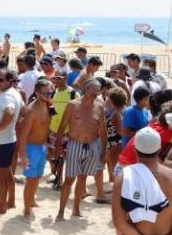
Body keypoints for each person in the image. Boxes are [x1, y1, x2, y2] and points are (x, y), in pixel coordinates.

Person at [55, 79, 108, 220]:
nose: (96, 93)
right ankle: (61, 212)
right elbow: (61, 128)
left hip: (92, 145)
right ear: (86, 89)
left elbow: (103, 132)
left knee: (83, 179)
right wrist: (57, 149)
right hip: (75, 145)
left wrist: (104, 153)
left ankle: (76, 208)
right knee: (69, 180)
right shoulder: (73, 105)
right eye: (94, 89)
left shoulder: (99, 107)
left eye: (98, 90)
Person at [0, 71, 24, 214]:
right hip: (7, 139)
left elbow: (10, 111)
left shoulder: (8, 96)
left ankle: (1, 207)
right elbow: (24, 110)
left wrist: (1, 125)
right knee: (7, 173)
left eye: (1, 80)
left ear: (9, 80)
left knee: (1, 176)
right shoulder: (14, 92)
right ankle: (11, 201)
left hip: (0, 141)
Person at [17, 80, 52, 220]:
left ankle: (31, 201)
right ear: (37, 93)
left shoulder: (47, 105)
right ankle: (26, 208)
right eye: (46, 93)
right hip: (32, 149)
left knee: (37, 177)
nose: (49, 95)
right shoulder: (31, 110)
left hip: (42, 147)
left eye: (51, 92)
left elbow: (46, 128)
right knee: (30, 180)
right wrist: (23, 156)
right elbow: (23, 135)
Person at [104, 88, 128, 183]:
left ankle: (116, 190)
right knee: (113, 166)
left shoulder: (116, 114)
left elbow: (120, 131)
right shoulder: (124, 110)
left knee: (115, 168)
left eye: (109, 98)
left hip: (115, 144)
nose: (107, 99)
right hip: (116, 143)